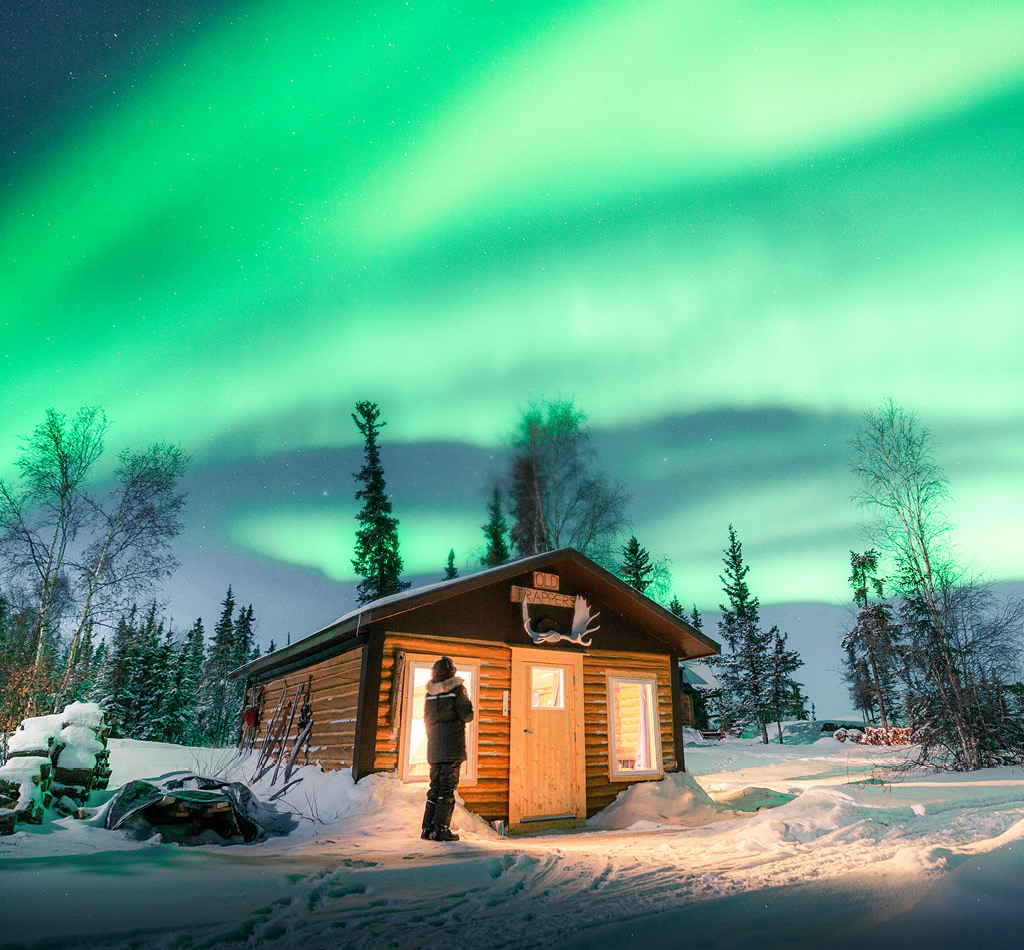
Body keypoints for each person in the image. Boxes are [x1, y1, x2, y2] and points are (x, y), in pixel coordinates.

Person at [421, 656, 474, 841]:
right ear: (452, 671)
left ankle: (427, 828)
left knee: (434, 786)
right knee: (447, 787)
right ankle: (441, 829)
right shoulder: (458, 690)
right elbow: (467, 715)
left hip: (434, 747)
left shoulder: (430, 693)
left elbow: (426, 718)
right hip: (452, 746)